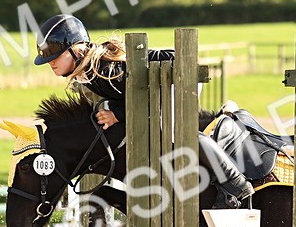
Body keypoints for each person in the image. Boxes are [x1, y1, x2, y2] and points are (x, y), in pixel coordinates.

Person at [33, 14, 254, 208]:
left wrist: (116, 115)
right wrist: (114, 112)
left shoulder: (103, 70)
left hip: (177, 73)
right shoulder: (89, 72)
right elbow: (124, 97)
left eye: (55, 56)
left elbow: (140, 100)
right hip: (159, 80)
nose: (50, 62)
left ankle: (236, 183)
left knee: (179, 134)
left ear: (76, 49)